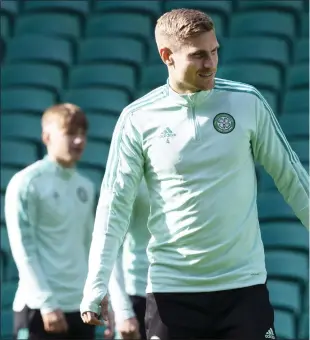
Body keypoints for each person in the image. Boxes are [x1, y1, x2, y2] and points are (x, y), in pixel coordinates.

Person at [80, 8, 309, 340]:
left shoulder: (247, 103)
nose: (211, 63)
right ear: (167, 56)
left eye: (215, 51)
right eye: (199, 55)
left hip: (242, 288)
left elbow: (294, 179)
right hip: (171, 292)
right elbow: (114, 206)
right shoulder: (138, 118)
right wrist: (96, 284)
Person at [5, 103, 114, 340]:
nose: (78, 141)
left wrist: (103, 298)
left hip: (81, 308)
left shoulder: (86, 186)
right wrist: (46, 303)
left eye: (83, 134)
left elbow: (90, 248)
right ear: (47, 137)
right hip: (39, 309)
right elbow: (23, 249)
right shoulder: (26, 182)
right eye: (70, 133)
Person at [108, 178, 150, 339]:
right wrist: (122, 310)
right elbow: (111, 248)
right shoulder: (134, 185)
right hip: (138, 294)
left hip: (181, 294)